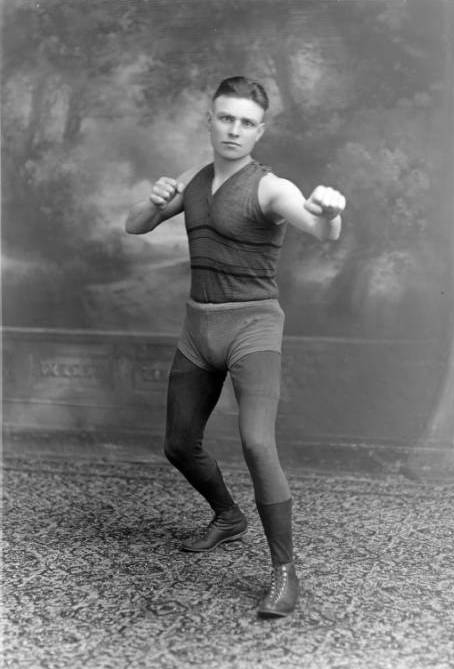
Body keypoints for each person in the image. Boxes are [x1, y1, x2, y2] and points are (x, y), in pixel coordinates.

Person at [125, 76, 346, 618]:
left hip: (253, 329)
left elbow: (322, 232)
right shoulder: (193, 180)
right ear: (210, 118)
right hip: (198, 330)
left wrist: (330, 210)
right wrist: (153, 204)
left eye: (247, 122)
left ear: (260, 130)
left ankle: (284, 572)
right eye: (226, 118)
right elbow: (133, 227)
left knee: (255, 443)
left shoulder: (271, 187)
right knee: (179, 444)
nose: (234, 130)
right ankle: (228, 516)